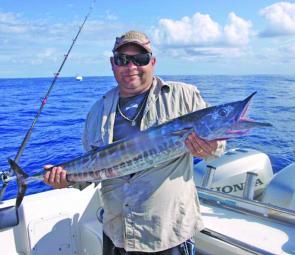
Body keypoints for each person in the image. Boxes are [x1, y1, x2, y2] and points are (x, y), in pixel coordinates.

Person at [44, 30, 225, 254]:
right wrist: (65, 179)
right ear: (113, 64)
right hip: (117, 234)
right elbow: (92, 168)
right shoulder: (97, 111)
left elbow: (217, 146)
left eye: (140, 59)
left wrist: (211, 147)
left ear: (153, 62)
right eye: (122, 60)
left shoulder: (184, 96)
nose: (131, 67)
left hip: (167, 234)